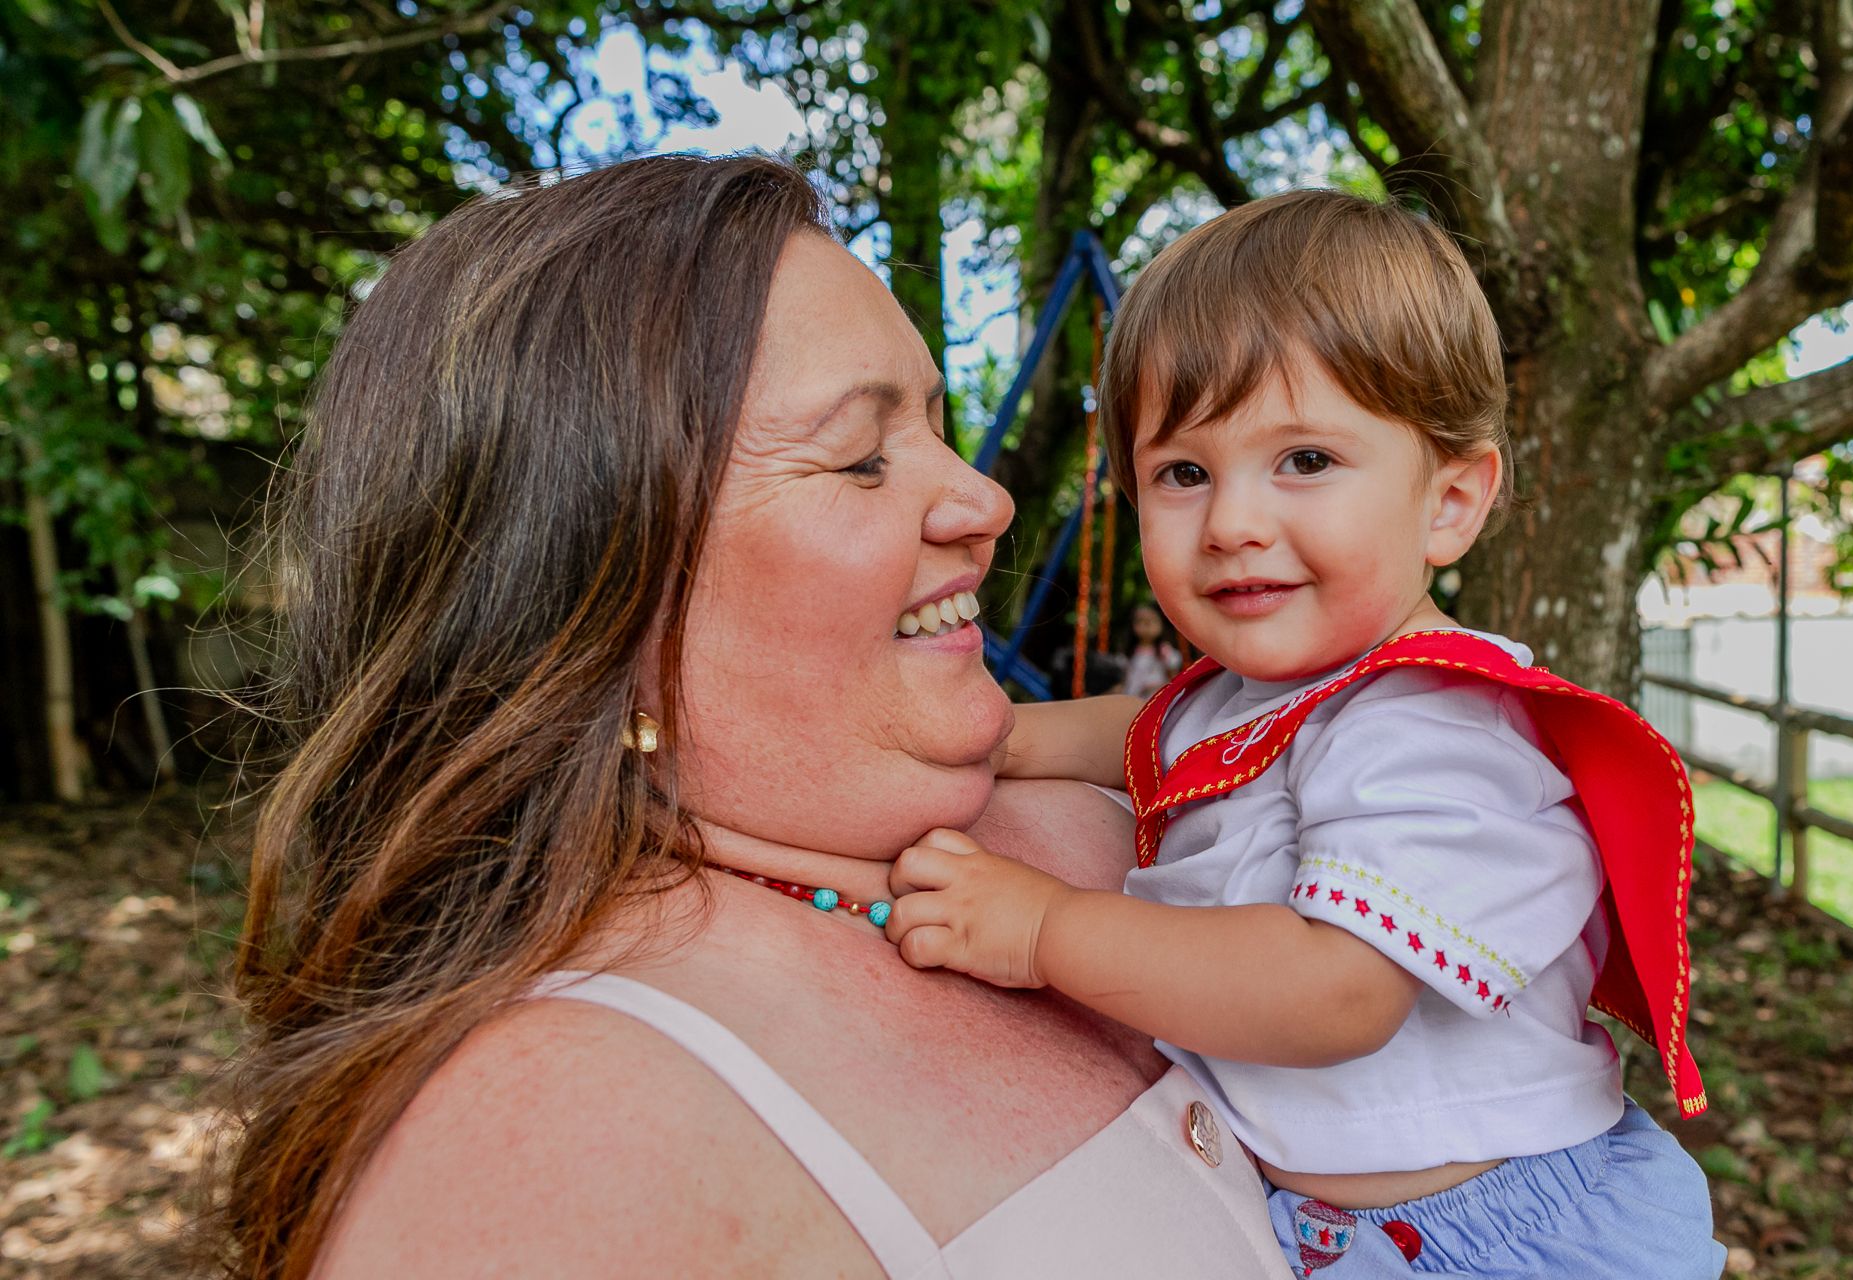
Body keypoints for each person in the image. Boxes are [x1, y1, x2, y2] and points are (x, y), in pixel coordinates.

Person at [218, 153, 1292, 1279]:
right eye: (862, 458)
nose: (986, 502)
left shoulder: (1143, 822)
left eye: (936, 424)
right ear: (597, 600)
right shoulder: (551, 1153)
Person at [884, 191, 1727, 1277]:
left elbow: (1336, 989)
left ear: (1451, 500)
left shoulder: (1436, 722)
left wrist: (1042, 928)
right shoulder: (1256, 690)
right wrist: (993, 737)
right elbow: (1148, 727)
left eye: (1306, 462)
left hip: (1491, 1238)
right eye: (1183, 472)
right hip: (1350, 1228)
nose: (1233, 521)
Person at [1121, 603, 1182, 697]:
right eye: (1140, 621)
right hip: (1132, 696)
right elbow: (1126, 678)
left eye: (1151, 621)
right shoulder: (1131, 651)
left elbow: (1174, 678)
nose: (1146, 626)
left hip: (1154, 697)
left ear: (1161, 624)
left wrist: (1157, 687)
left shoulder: (1164, 651)